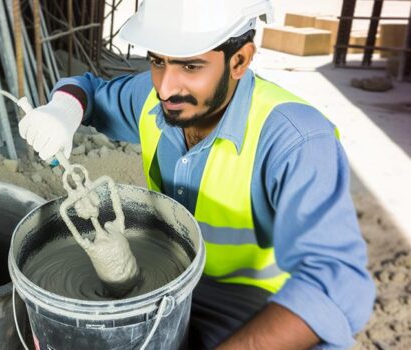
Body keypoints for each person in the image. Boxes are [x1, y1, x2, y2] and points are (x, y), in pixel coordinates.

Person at [18, 0, 375, 348]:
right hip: (174, 283)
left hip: (255, 305)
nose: (166, 87)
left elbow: (336, 285)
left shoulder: (296, 140)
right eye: (158, 61)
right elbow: (89, 90)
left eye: (191, 66)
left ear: (240, 60)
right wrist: (62, 110)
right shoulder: (154, 99)